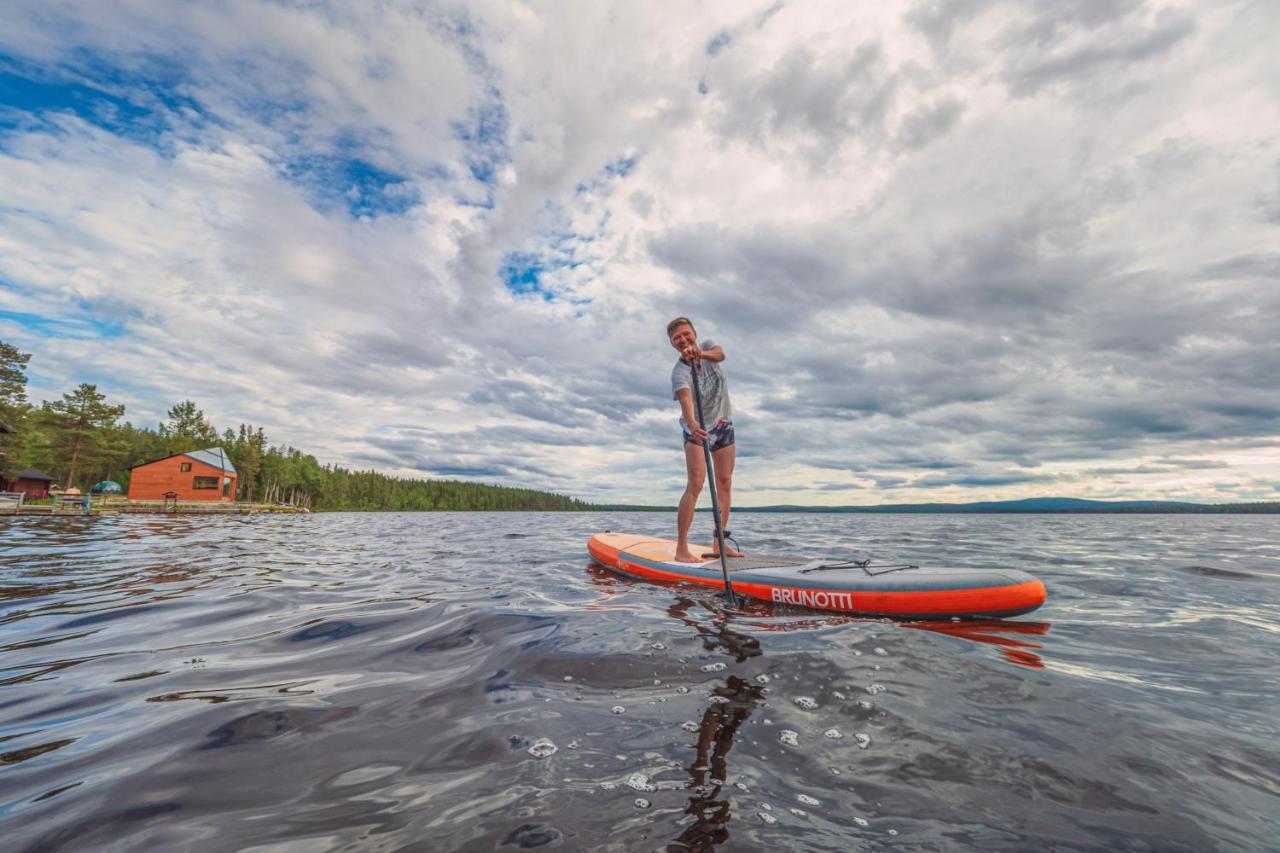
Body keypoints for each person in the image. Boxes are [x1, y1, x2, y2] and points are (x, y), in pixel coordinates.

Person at [668, 316, 744, 563]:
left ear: (695, 334)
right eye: (677, 337)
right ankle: (681, 548)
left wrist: (701, 354)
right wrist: (692, 424)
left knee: (725, 482)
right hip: (697, 430)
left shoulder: (709, 347)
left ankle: (718, 544)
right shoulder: (679, 373)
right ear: (673, 344)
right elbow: (686, 401)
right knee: (696, 483)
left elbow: (721, 355)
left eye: (686, 334)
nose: (683, 339)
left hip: (723, 424)